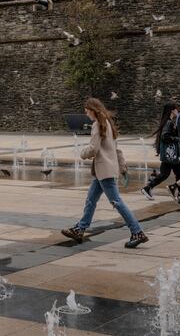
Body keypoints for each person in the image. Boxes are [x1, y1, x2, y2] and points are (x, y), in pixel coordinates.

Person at [61, 98, 148, 249]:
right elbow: (117, 149)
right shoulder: (107, 123)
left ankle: (137, 232)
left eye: (87, 110)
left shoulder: (97, 125)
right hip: (103, 171)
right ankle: (80, 229)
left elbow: (93, 149)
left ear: (93, 110)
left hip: (104, 171)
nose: (86, 113)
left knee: (117, 202)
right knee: (90, 200)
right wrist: (122, 167)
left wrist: (82, 153)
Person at [140, 102, 180, 201]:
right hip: (170, 154)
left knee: (167, 174)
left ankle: (148, 188)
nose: (177, 111)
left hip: (169, 154)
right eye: (176, 109)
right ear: (172, 110)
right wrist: (178, 139)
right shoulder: (169, 122)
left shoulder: (168, 122)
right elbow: (165, 136)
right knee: (179, 173)